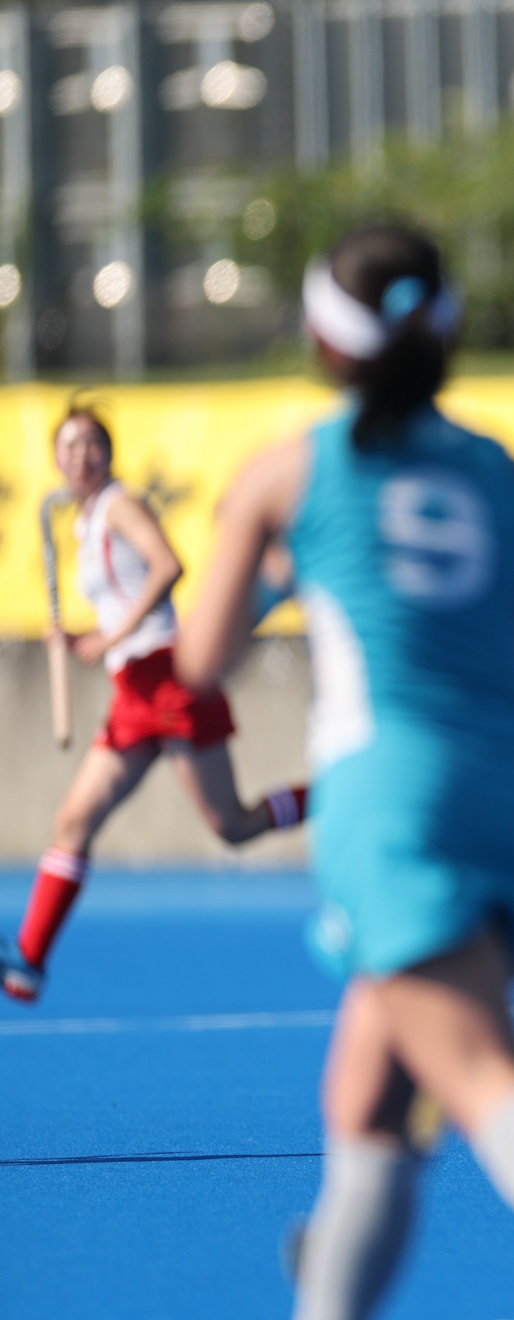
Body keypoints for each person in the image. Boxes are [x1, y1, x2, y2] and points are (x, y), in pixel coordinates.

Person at [177, 226, 514, 1320]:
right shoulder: (510, 481)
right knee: (368, 1107)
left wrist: (280, 572)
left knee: (479, 1076)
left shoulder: (289, 472)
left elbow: (197, 662)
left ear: (324, 344)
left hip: (384, 798)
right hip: (502, 789)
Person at [1, 403, 307, 1005]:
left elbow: (169, 566)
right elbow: (121, 602)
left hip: (167, 675)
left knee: (233, 826)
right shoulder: (86, 523)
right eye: (69, 447)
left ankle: (337, 795)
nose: (81, 456)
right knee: (73, 823)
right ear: (55, 460)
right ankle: (29, 961)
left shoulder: (120, 504)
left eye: (92, 444)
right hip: (132, 689)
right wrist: (88, 637)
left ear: (110, 454)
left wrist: (109, 637)